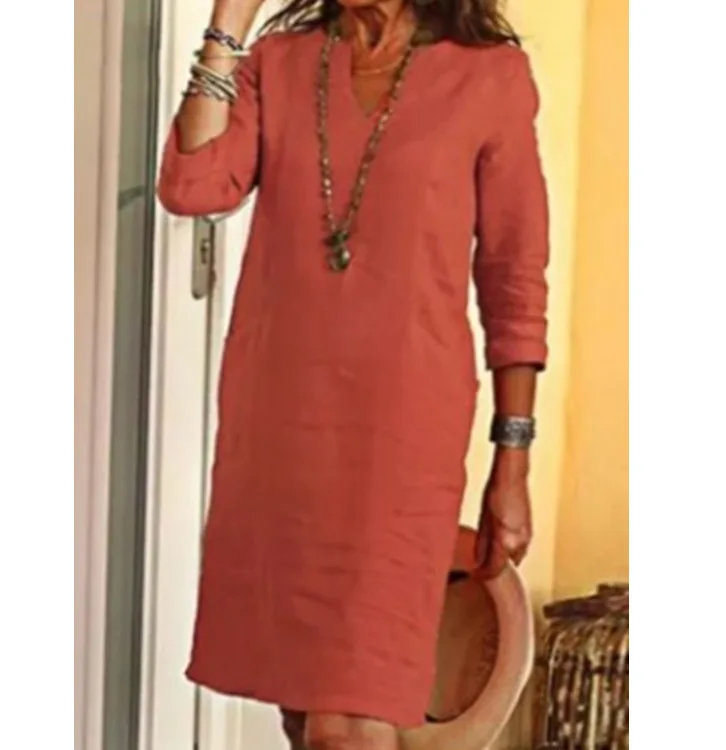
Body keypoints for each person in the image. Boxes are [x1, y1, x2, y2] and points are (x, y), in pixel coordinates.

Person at [156, 0, 549, 744]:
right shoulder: (281, 62)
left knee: (349, 719)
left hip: (403, 436)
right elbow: (193, 186)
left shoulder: (490, 77)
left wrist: (513, 459)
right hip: (278, 427)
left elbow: (514, 279)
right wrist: (228, 24)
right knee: (303, 709)